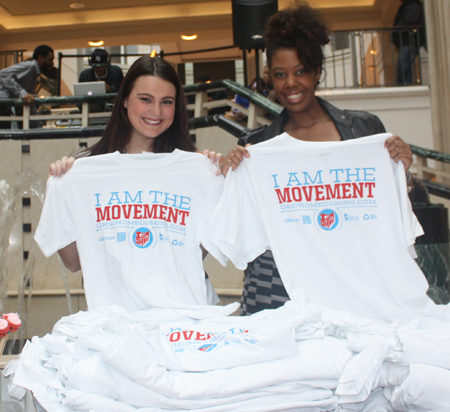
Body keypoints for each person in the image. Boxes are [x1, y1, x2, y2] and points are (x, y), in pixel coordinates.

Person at [220, 1, 414, 316]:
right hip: (279, 293)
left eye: (301, 71)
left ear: (317, 72)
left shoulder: (364, 130)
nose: (290, 84)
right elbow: (238, 227)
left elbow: (396, 206)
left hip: (353, 284)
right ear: (270, 76)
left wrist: (402, 171)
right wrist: (229, 177)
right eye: (280, 74)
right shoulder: (256, 148)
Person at [40, 56, 223, 311]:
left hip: (183, 318)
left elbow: (193, 251)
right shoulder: (87, 169)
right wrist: (61, 192)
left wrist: (208, 176)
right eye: (145, 99)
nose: (156, 112)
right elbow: (73, 262)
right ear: (125, 99)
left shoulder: (194, 169)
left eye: (166, 102)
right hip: (117, 322)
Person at [0, 44, 54, 128]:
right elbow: (3, 74)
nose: (52, 63)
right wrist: (22, 93)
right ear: (40, 58)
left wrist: (38, 126)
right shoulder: (30, 66)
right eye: (50, 60)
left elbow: (30, 103)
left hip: (4, 108)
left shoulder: (34, 75)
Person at [391, 0, 426, 85]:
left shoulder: (414, 6)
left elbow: (410, 20)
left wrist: (397, 28)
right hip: (406, 40)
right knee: (404, 64)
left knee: (404, 64)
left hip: (410, 40)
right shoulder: (407, 7)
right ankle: (404, 84)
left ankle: (404, 84)